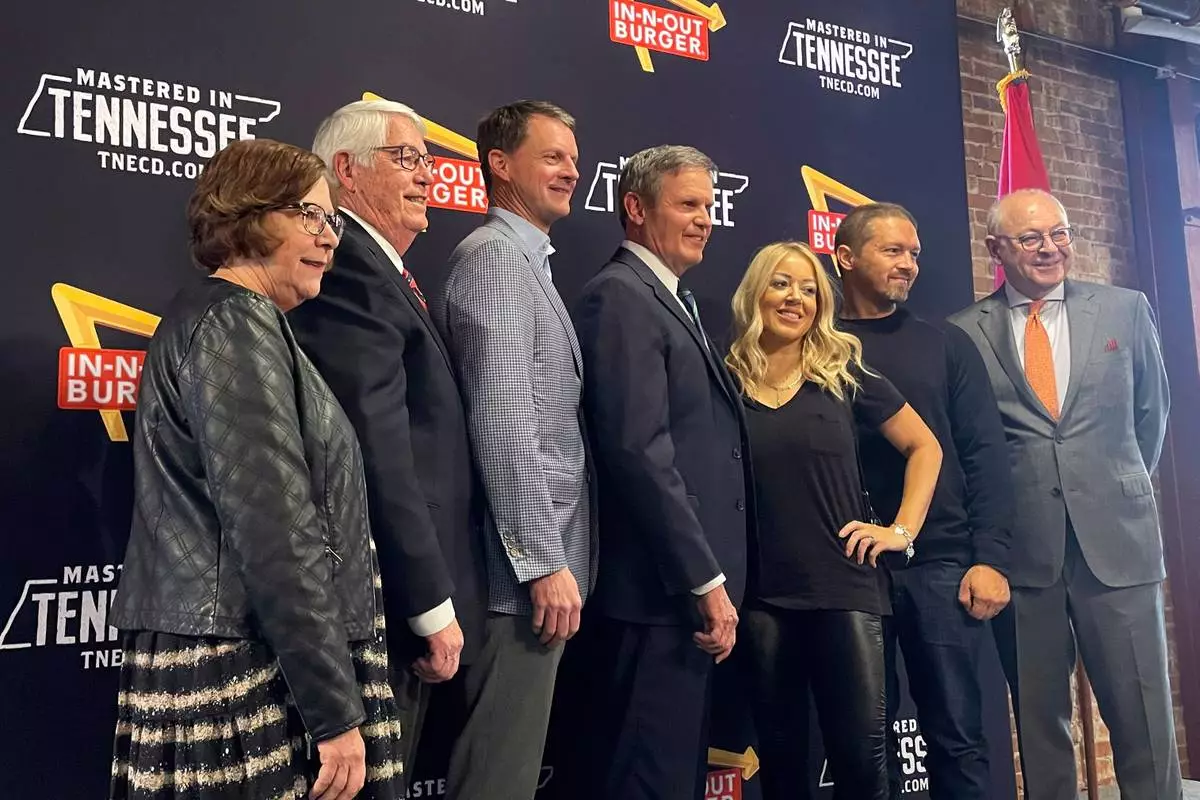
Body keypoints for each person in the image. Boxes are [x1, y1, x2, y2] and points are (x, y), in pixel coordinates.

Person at [107, 138, 405, 800]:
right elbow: (275, 532)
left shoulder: (242, 322)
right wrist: (334, 712)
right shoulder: (233, 326)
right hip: (246, 674)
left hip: (259, 658)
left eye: (332, 220)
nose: (328, 238)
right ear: (248, 212)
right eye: (309, 214)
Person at [949, 188, 1178, 800]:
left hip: (1118, 543)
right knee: (1040, 722)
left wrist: (1108, 485)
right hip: (1023, 557)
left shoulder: (1125, 310)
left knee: (1144, 721)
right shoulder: (962, 333)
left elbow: (1151, 416)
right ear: (995, 248)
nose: (1050, 248)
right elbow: (971, 447)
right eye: (1030, 238)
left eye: (1059, 233)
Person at [290, 98, 488, 784]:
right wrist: (428, 604)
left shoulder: (386, 274)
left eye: (428, 161)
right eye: (406, 159)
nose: (427, 176)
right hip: (386, 616)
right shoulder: (349, 271)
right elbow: (377, 451)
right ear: (346, 170)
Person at [725, 241, 942, 800]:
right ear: (756, 293)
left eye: (808, 288)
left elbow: (925, 447)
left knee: (862, 768)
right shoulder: (725, 377)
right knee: (780, 765)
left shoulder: (843, 371)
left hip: (847, 588)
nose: (794, 297)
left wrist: (900, 532)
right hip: (761, 596)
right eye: (781, 283)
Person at [571, 145, 749, 799]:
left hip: (677, 603)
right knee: (645, 780)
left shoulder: (673, 298)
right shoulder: (620, 297)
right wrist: (704, 580)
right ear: (637, 209)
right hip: (655, 596)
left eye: (709, 205)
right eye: (688, 204)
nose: (705, 219)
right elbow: (639, 451)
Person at [432, 100, 594, 800]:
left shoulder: (526, 260)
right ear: (500, 165)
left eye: (574, 158)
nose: (571, 170)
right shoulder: (496, 259)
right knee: (498, 777)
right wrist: (542, 562)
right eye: (552, 156)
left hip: (532, 575)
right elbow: (502, 425)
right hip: (518, 582)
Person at [834, 202, 1015, 800]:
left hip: (940, 565)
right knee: (862, 742)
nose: (908, 264)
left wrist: (989, 557)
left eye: (913, 252)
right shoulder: (815, 343)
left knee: (958, 735)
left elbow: (985, 454)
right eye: (892, 251)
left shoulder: (946, 343)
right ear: (845, 257)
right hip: (848, 572)